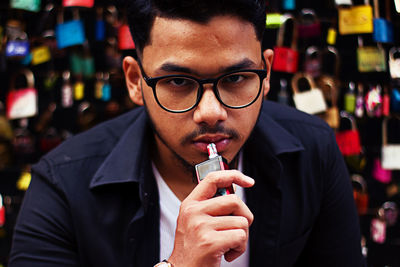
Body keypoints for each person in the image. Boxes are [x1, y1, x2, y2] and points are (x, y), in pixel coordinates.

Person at [9, 0, 365, 266]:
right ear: (135, 81)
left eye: (236, 78)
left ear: (267, 72)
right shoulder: (63, 184)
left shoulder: (313, 151)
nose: (211, 113)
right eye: (178, 81)